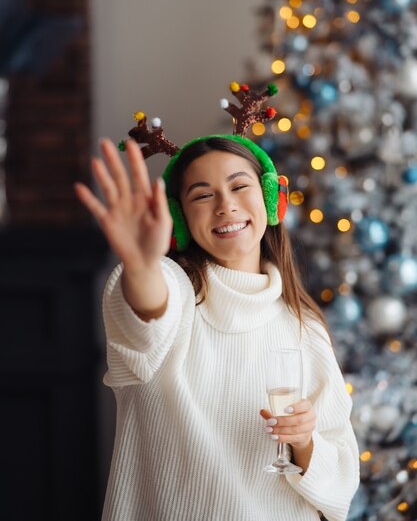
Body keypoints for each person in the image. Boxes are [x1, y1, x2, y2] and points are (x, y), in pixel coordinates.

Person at [75, 112, 359, 521]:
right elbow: (146, 316)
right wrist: (140, 267)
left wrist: (305, 443)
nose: (225, 206)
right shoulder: (171, 289)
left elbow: (342, 483)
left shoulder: (305, 327)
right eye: (202, 195)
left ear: (270, 199)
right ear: (182, 219)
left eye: (239, 186)